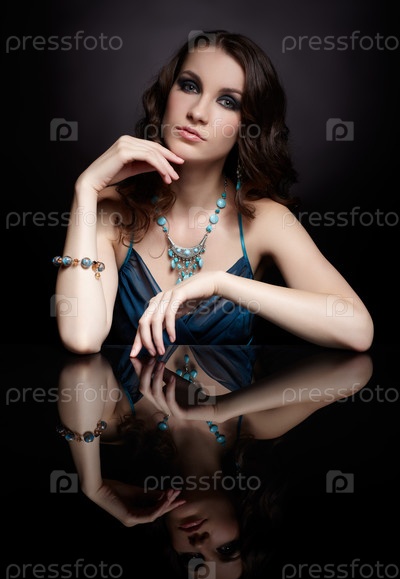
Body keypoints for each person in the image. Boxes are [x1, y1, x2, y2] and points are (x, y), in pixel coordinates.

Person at [52, 30, 374, 356]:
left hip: (237, 392)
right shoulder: (111, 209)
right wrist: (85, 189)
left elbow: (357, 329)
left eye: (227, 101)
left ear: (247, 126)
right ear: (166, 95)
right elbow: (82, 337)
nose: (198, 112)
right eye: (189, 86)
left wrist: (222, 283)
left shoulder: (265, 220)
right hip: (130, 392)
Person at [56, 343, 373, 579]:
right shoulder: (258, 422)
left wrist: (92, 484)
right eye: (226, 549)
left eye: (192, 559)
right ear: (244, 522)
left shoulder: (118, 426)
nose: (200, 544)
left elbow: (80, 374)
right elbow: (354, 371)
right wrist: (220, 408)